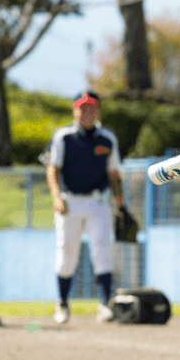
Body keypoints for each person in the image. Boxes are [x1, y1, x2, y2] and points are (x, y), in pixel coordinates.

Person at [45, 90, 124, 324]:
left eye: (91, 107)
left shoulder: (108, 138)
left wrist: (119, 201)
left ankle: (104, 304)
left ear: (98, 110)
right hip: (69, 201)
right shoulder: (63, 137)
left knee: (102, 251)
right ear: (74, 110)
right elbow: (52, 168)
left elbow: (114, 172)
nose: (86, 112)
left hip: (98, 201)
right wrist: (56, 197)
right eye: (82, 107)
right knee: (68, 253)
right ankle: (62, 304)